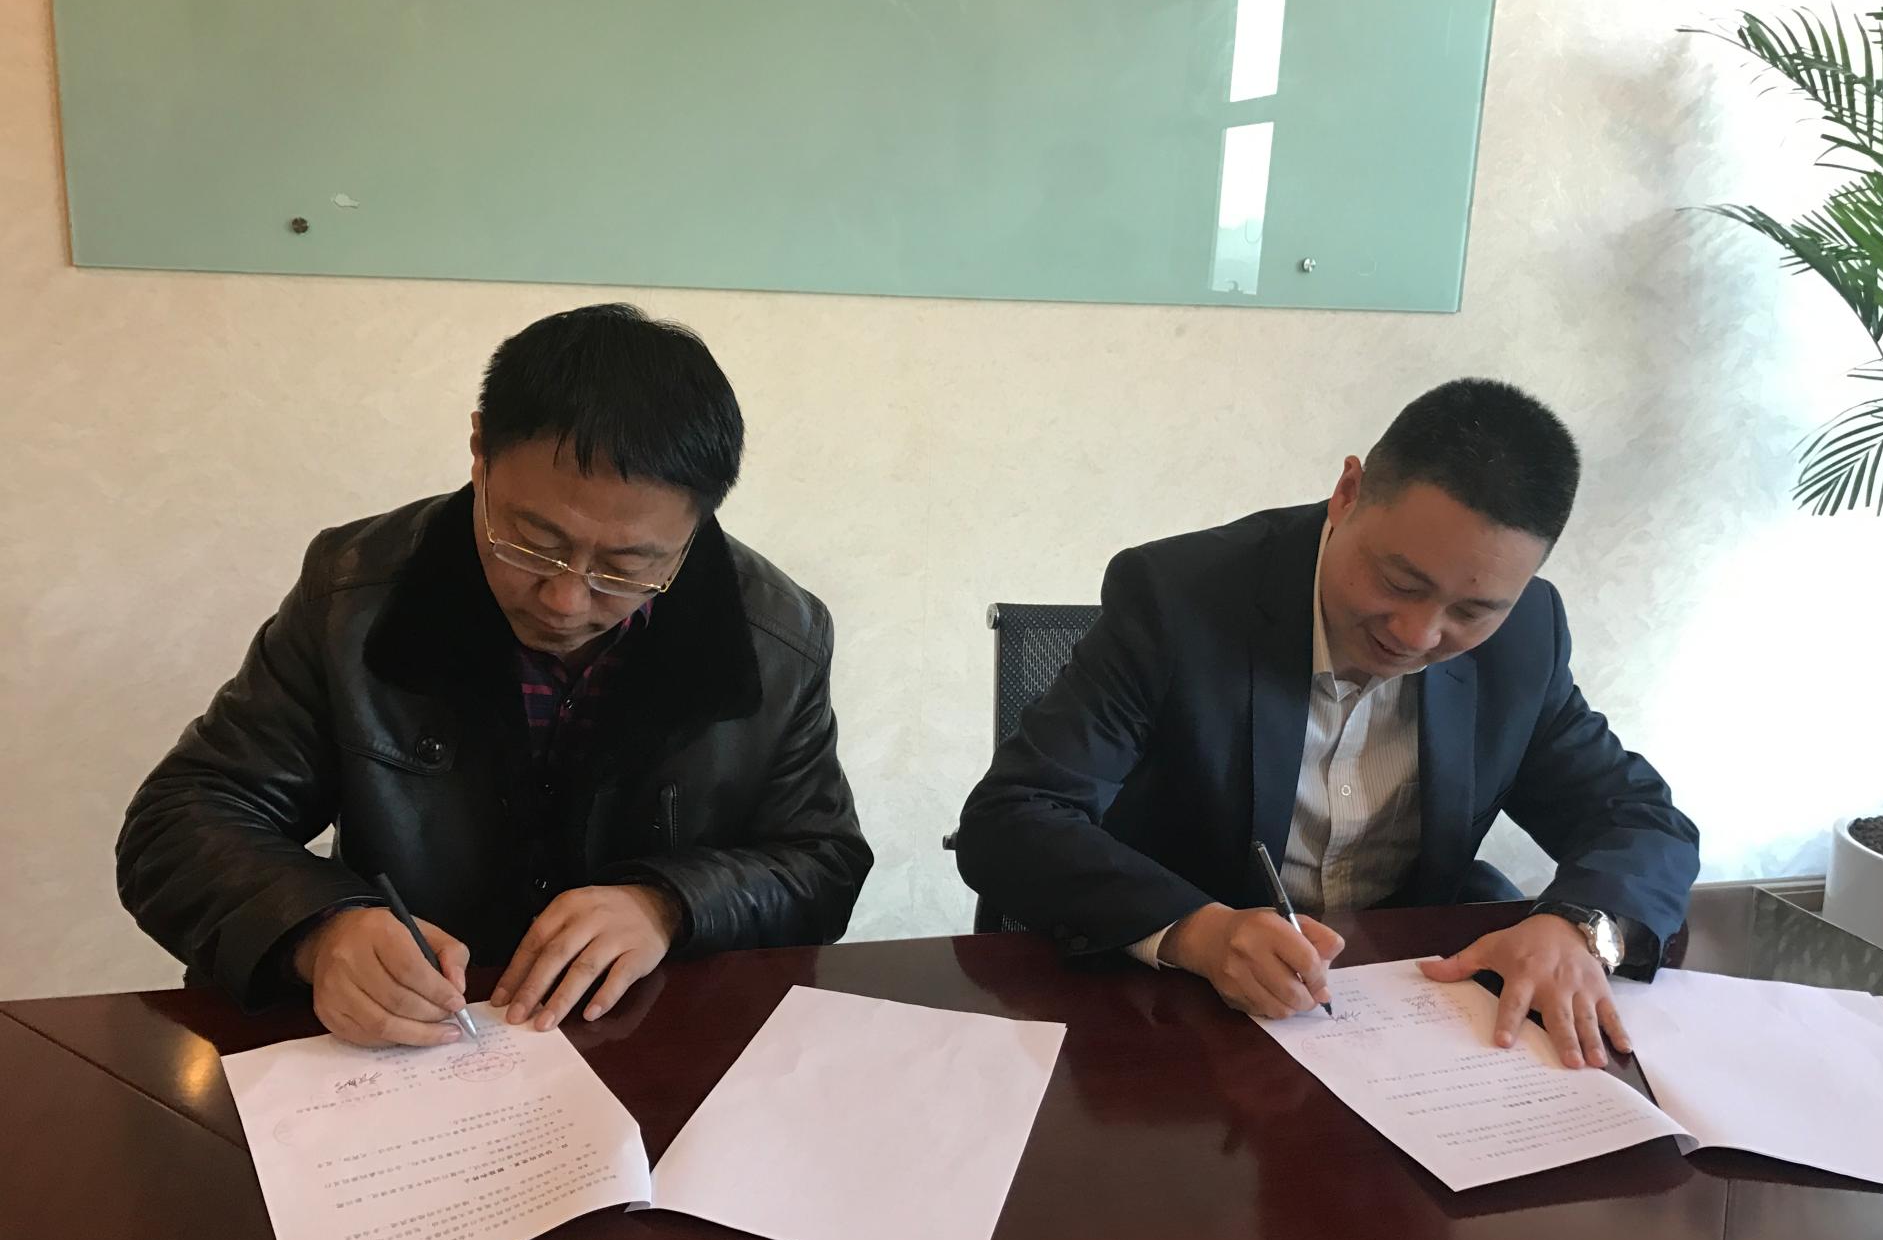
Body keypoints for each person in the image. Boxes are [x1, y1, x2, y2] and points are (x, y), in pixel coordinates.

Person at [118, 303, 871, 1045]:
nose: (566, 600)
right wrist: (319, 930)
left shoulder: (778, 636)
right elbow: (181, 820)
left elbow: (822, 862)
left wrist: (670, 906)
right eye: (533, 543)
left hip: (652, 1040)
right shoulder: (352, 594)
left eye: (627, 567)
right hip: (415, 1044)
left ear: (695, 527)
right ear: (480, 450)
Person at [954, 379, 1698, 1071]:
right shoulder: (1178, 601)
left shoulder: (1525, 635)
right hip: (1177, 1025)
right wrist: (1199, 931)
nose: (1417, 634)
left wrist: (1579, 928)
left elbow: (1639, 817)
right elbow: (1013, 818)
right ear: (1347, 494)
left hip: (1404, 1023)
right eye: (1399, 581)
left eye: (1472, 611)